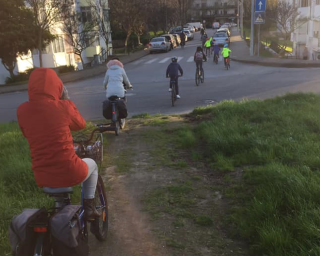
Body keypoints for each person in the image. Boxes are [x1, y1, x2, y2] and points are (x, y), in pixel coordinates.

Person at [17, 68, 100, 221]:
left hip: (42, 175)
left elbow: (27, 133)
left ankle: (59, 217)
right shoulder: (63, 106)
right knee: (93, 165)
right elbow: (80, 124)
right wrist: (66, 100)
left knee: (56, 190)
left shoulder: (22, 110)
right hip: (70, 170)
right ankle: (89, 207)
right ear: (58, 87)